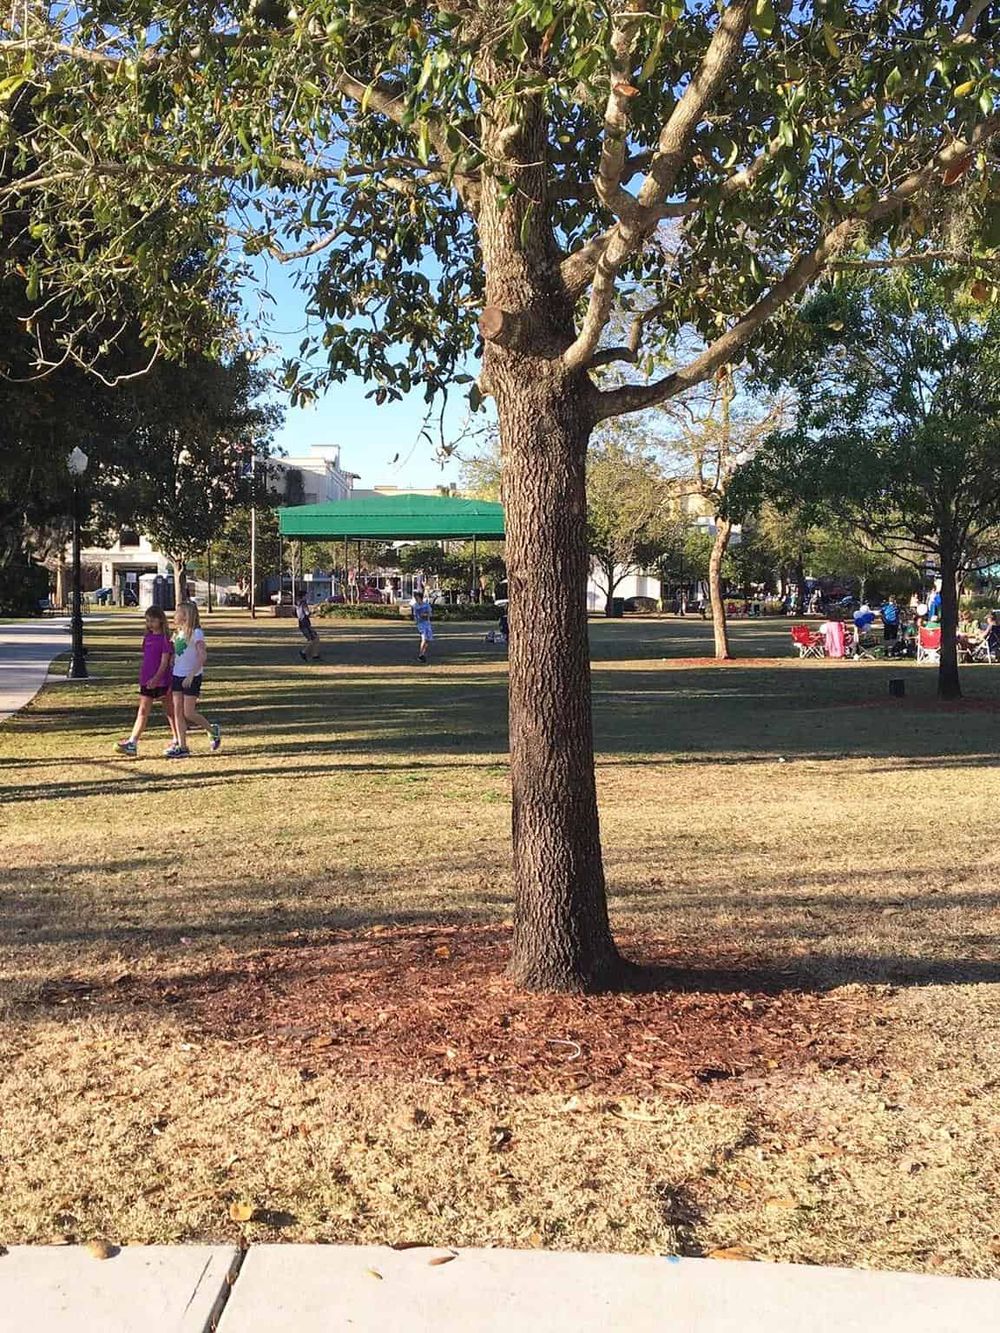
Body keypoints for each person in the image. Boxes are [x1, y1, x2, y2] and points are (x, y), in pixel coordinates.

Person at [115, 607, 178, 757]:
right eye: (147, 620)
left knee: (170, 711)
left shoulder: (165, 640)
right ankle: (132, 742)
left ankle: (177, 738)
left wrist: (157, 678)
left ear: (160, 620)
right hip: (146, 680)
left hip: (162, 681)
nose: (150, 624)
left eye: (153, 620)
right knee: (142, 712)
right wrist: (146, 678)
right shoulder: (147, 638)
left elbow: (164, 662)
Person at [166, 600, 221, 758]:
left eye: (178, 612)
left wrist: (191, 674)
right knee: (177, 712)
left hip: (192, 677)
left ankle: (212, 730)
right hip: (177, 675)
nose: (175, 615)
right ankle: (183, 746)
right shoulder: (177, 633)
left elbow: (203, 656)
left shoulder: (196, 633)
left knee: (188, 713)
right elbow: (176, 653)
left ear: (186, 615)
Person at [295, 591, 321, 661]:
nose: (308, 596)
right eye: (306, 595)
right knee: (312, 639)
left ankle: (315, 655)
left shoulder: (298, 603)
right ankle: (303, 652)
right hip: (305, 624)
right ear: (303, 596)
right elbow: (307, 613)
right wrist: (315, 610)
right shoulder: (303, 603)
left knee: (316, 638)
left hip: (302, 624)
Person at [410, 587, 434, 663]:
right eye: (416, 599)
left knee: (428, 640)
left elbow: (430, 614)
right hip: (421, 624)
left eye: (418, 598)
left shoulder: (426, 605)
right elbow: (416, 615)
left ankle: (423, 653)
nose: (417, 600)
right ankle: (420, 655)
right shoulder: (416, 606)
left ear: (421, 598)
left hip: (427, 623)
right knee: (424, 638)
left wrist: (426, 614)